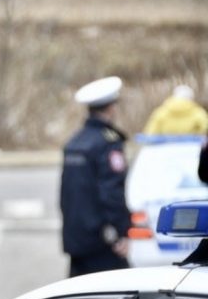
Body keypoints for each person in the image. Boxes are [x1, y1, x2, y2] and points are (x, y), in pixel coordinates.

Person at [61, 76, 132, 277]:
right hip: (102, 243)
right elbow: (111, 192)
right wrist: (121, 231)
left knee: (78, 295)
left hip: (77, 240)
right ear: (111, 108)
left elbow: (68, 195)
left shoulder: (75, 142)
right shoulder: (107, 143)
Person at [143, 85, 208, 135]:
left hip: (166, 146)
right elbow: (205, 127)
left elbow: (150, 132)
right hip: (193, 146)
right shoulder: (197, 112)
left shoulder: (161, 112)